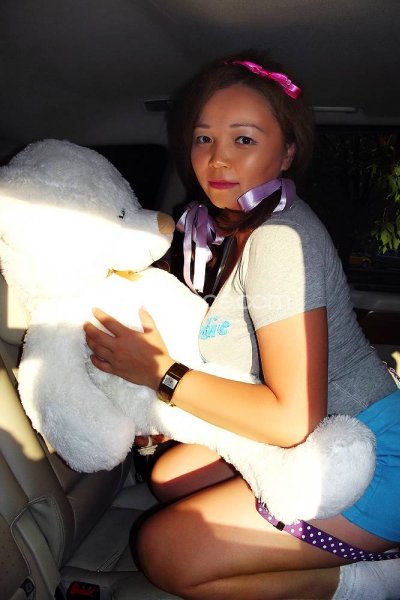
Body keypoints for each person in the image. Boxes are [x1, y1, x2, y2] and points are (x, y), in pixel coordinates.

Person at [83, 52, 400, 600]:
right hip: (322, 437)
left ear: (288, 152)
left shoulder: (278, 239)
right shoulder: (236, 235)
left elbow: (291, 420)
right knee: (169, 476)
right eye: (203, 138)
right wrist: (166, 400)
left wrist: (162, 374)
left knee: (164, 550)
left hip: (369, 457)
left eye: (244, 139)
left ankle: (374, 580)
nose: (218, 158)